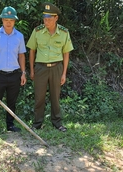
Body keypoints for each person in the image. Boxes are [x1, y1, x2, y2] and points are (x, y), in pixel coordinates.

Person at [26, 2, 74, 132]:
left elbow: (66, 53)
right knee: (39, 97)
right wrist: (32, 69)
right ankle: (37, 123)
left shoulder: (64, 33)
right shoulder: (37, 31)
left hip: (56, 67)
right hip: (40, 68)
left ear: (56, 18)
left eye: (48, 19)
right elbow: (32, 51)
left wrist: (64, 73)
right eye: (44, 19)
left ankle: (57, 122)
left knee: (55, 96)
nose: (46, 21)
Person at [0, 6, 27, 134]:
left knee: (12, 101)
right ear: (2, 20)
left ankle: (10, 125)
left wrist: (23, 73)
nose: (8, 22)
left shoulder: (19, 36)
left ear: (14, 21)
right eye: (6, 19)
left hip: (15, 74)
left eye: (11, 20)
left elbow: (21, 55)